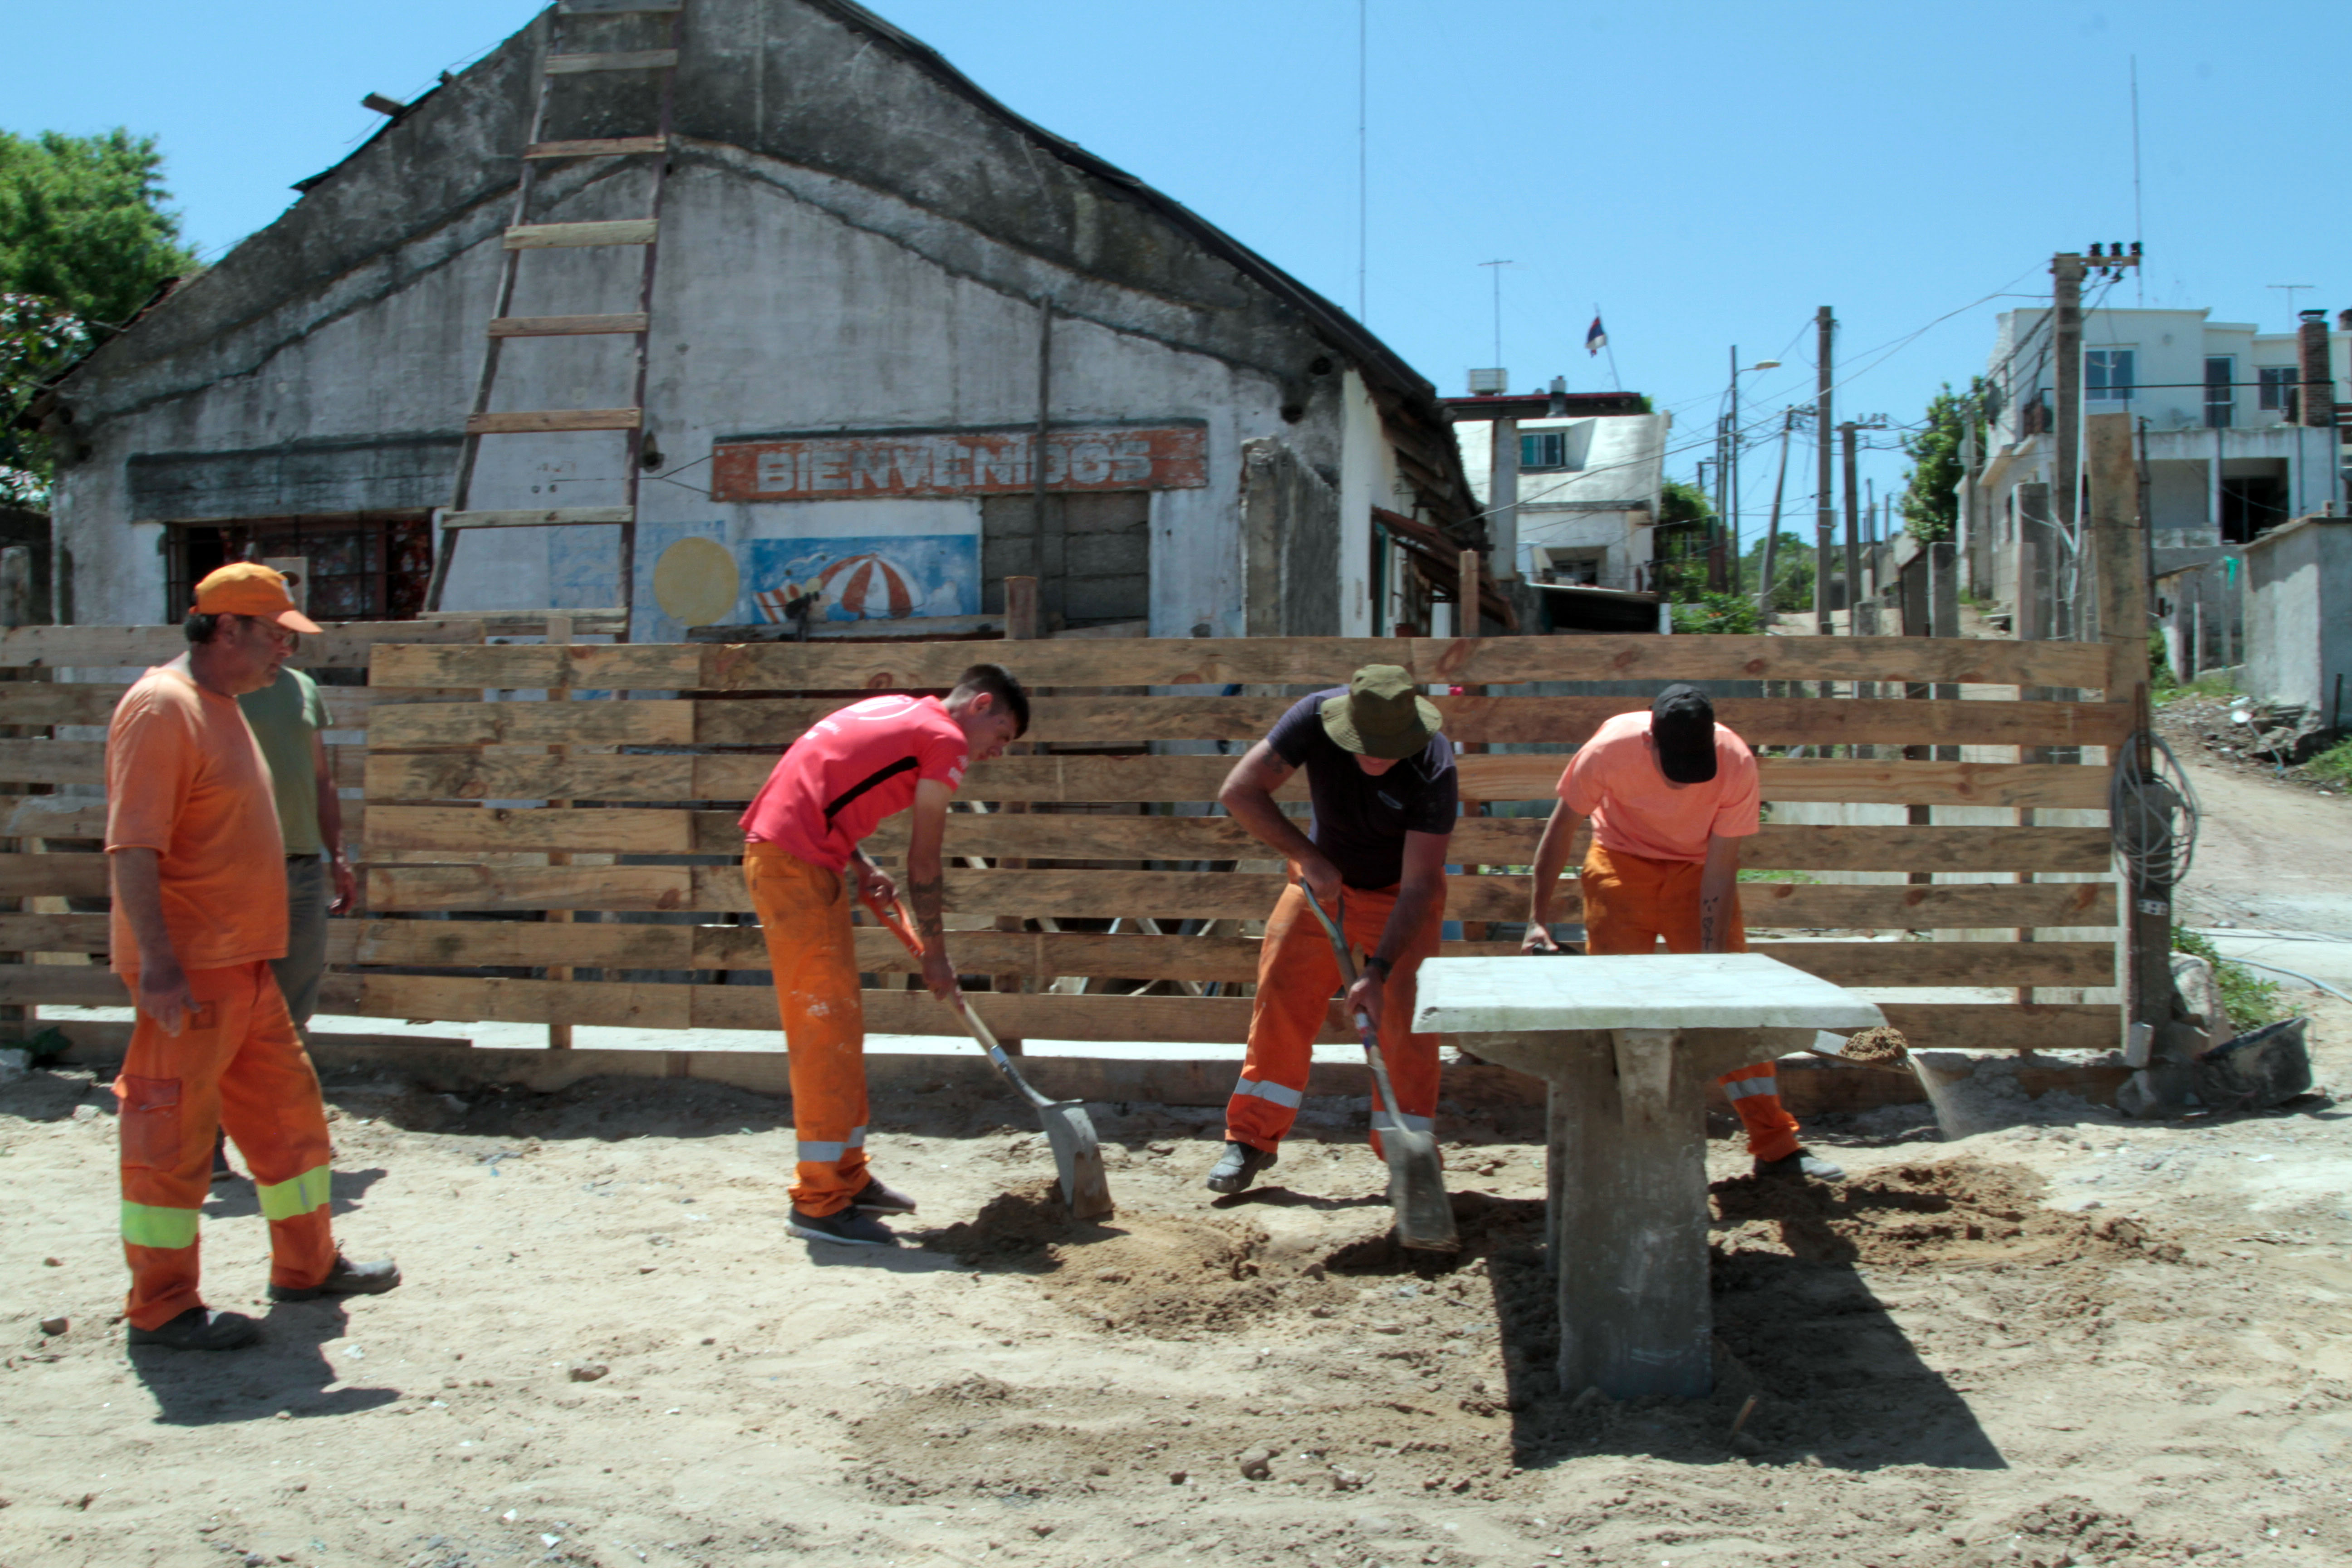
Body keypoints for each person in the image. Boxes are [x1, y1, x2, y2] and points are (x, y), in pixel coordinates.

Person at [106, 564, 400, 1352]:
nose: (283, 653)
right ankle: (163, 1305)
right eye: (273, 636)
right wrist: (161, 965)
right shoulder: (163, 708)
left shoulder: (223, 705)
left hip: (242, 963)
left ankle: (307, 1265)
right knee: (170, 1142)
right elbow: (133, 845)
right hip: (192, 971)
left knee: (287, 1118)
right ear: (225, 628)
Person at [742, 664, 1029, 1247]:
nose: (996, 753)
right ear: (980, 706)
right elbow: (924, 863)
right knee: (823, 1031)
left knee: (840, 1025)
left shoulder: (902, 710)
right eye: (1001, 737)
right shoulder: (945, 740)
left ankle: (848, 1177)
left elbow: (817, 784)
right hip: (793, 865)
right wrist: (938, 955)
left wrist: (860, 862)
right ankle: (820, 1203)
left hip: (797, 855)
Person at [1522, 683, 1844, 1181]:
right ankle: (1614, 1146)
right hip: (1619, 863)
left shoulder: (1735, 761)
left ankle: (1776, 1146)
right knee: (1614, 1009)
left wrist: (1714, 958)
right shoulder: (1608, 748)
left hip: (1696, 872)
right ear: (1651, 739)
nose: (1683, 783)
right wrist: (1536, 919)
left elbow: (1721, 866)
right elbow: (1562, 826)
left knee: (1736, 1006)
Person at [1206, 665, 1456, 1195]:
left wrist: (1378, 972)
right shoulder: (1313, 719)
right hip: (1323, 889)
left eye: (1388, 748)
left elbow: (1419, 886)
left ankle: (1408, 1160)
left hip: (1402, 896)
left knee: (1407, 1030)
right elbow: (1239, 790)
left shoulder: (1434, 765)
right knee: (1280, 999)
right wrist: (1308, 858)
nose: (1375, 756)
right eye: (1364, 743)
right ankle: (1250, 1139)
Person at [211, 658, 356, 1181]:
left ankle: (285, 1138)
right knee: (229, 1008)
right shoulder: (213, 689)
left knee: (293, 1011)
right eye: (275, 627)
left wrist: (336, 854)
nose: (284, 640)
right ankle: (210, 1142)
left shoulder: (303, 690)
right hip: (236, 866)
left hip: (300, 867)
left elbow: (321, 778)